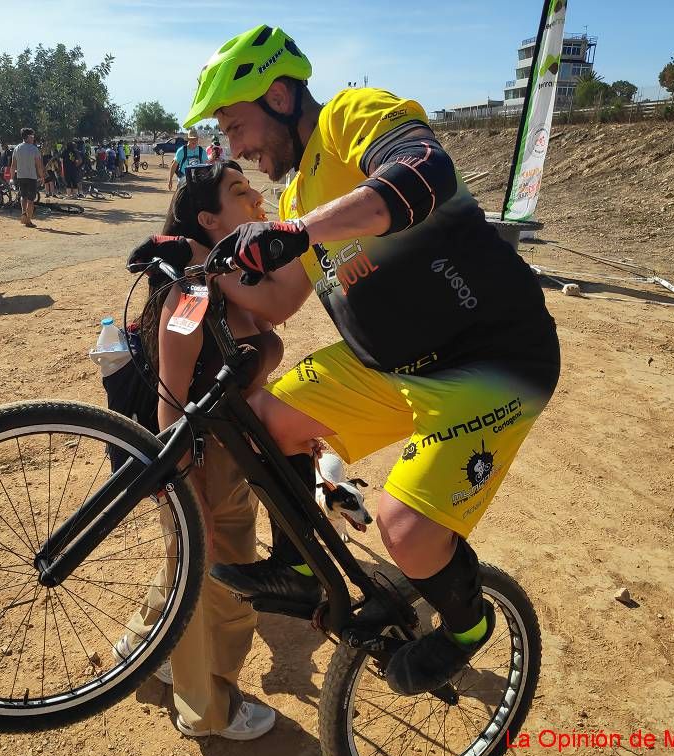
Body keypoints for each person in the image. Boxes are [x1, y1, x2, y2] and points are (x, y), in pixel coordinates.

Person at [139, 24, 561, 697]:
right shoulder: (297, 193)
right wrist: (197, 260)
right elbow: (277, 300)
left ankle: (467, 626)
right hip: (385, 366)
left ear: (279, 96)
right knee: (263, 419)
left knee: (404, 530)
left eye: (237, 125)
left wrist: (295, 231)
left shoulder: (348, 119)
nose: (236, 147)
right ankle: (300, 566)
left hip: (488, 360)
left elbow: (426, 170)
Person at [122, 160, 282, 740]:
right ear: (211, 219)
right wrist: (188, 490)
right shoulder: (192, 288)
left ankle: (146, 645)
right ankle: (209, 709)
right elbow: (171, 395)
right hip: (200, 458)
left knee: (184, 565)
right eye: (240, 192)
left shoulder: (225, 277)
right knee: (220, 584)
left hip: (220, 454)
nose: (257, 197)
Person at [10, 127, 44, 228]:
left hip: (20, 176)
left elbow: (13, 165)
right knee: (30, 200)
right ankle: (28, 220)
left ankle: (23, 212)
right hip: (31, 177)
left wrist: (11, 178)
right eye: (32, 136)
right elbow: (38, 165)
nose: (33, 138)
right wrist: (42, 177)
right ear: (28, 137)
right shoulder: (34, 149)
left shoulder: (17, 148)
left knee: (23, 196)